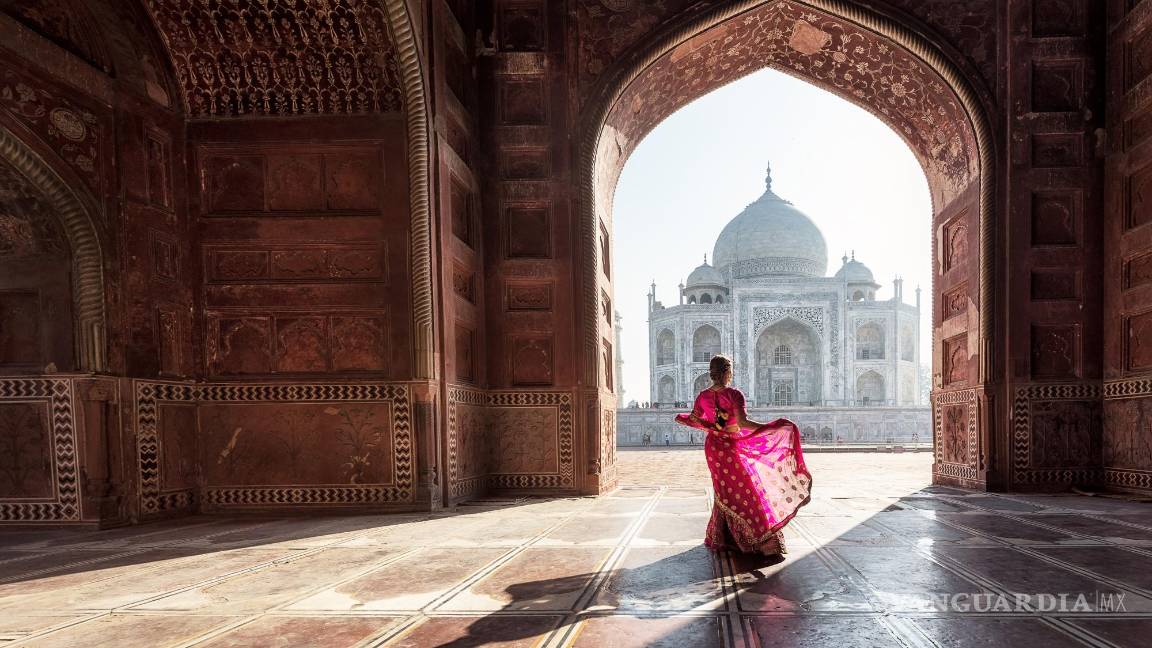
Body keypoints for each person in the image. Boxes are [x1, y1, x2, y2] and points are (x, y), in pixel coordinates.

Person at [675, 354, 812, 557]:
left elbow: (695, 419)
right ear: (728, 372)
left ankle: (724, 536)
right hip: (730, 445)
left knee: (725, 491)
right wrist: (769, 427)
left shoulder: (702, 396)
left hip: (714, 447)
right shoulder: (734, 394)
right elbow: (743, 423)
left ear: (712, 373)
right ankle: (757, 537)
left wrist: (712, 427)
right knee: (746, 487)